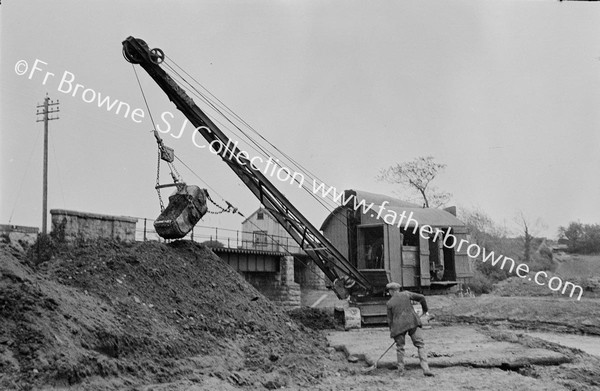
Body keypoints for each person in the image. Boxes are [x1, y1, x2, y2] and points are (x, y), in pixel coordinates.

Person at [386, 282, 434, 377]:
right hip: (412, 322)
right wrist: (425, 310)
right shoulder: (406, 294)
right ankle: (426, 369)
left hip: (398, 327)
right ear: (398, 290)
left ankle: (400, 372)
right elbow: (422, 297)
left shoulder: (389, 303)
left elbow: (389, 320)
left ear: (391, 291)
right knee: (420, 345)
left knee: (400, 348)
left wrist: (393, 333)